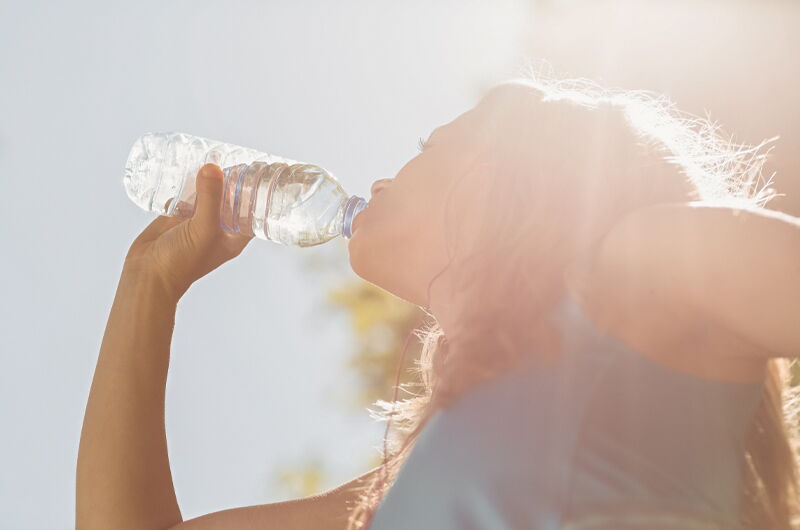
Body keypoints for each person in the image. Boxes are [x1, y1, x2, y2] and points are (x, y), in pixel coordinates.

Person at [76, 75, 800, 530]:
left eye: (428, 144)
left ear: (513, 169)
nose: (386, 178)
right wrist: (149, 285)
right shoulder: (391, 493)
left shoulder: (639, 262)